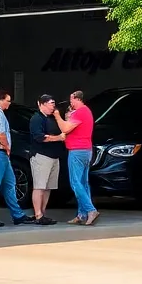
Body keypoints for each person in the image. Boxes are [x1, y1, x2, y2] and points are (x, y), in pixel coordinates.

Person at [0, 89, 32, 228]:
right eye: (8, 101)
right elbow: (0, 134)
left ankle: (18, 215)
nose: (9, 104)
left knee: (10, 184)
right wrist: (7, 147)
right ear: (1, 99)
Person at [52, 90, 98, 226]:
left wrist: (57, 116)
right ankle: (82, 214)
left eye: (71, 100)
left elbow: (65, 129)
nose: (70, 102)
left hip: (77, 151)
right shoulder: (87, 111)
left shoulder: (80, 112)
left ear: (77, 99)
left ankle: (91, 210)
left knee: (75, 182)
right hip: (86, 150)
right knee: (83, 182)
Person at [28, 94, 65, 225]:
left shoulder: (52, 118)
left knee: (48, 187)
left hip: (54, 156)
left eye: (54, 103)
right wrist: (58, 138)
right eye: (50, 103)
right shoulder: (36, 119)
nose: (53, 106)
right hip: (41, 156)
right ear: (41, 104)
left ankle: (43, 213)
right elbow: (40, 137)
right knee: (39, 186)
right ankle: (38, 214)